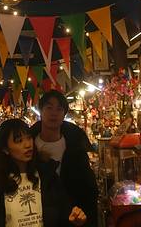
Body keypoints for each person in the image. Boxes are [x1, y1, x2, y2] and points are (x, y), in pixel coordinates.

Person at [0, 118, 87, 227]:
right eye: (19, 141)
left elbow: (64, 213)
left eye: (29, 138)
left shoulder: (47, 175)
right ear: (5, 149)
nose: (27, 145)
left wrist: (75, 219)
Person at [30, 91, 99, 226]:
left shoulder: (75, 146)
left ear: (64, 114)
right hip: (36, 218)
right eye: (49, 107)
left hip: (71, 218)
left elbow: (88, 189)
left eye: (59, 109)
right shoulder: (29, 146)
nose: (54, 113)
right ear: (41, 111)